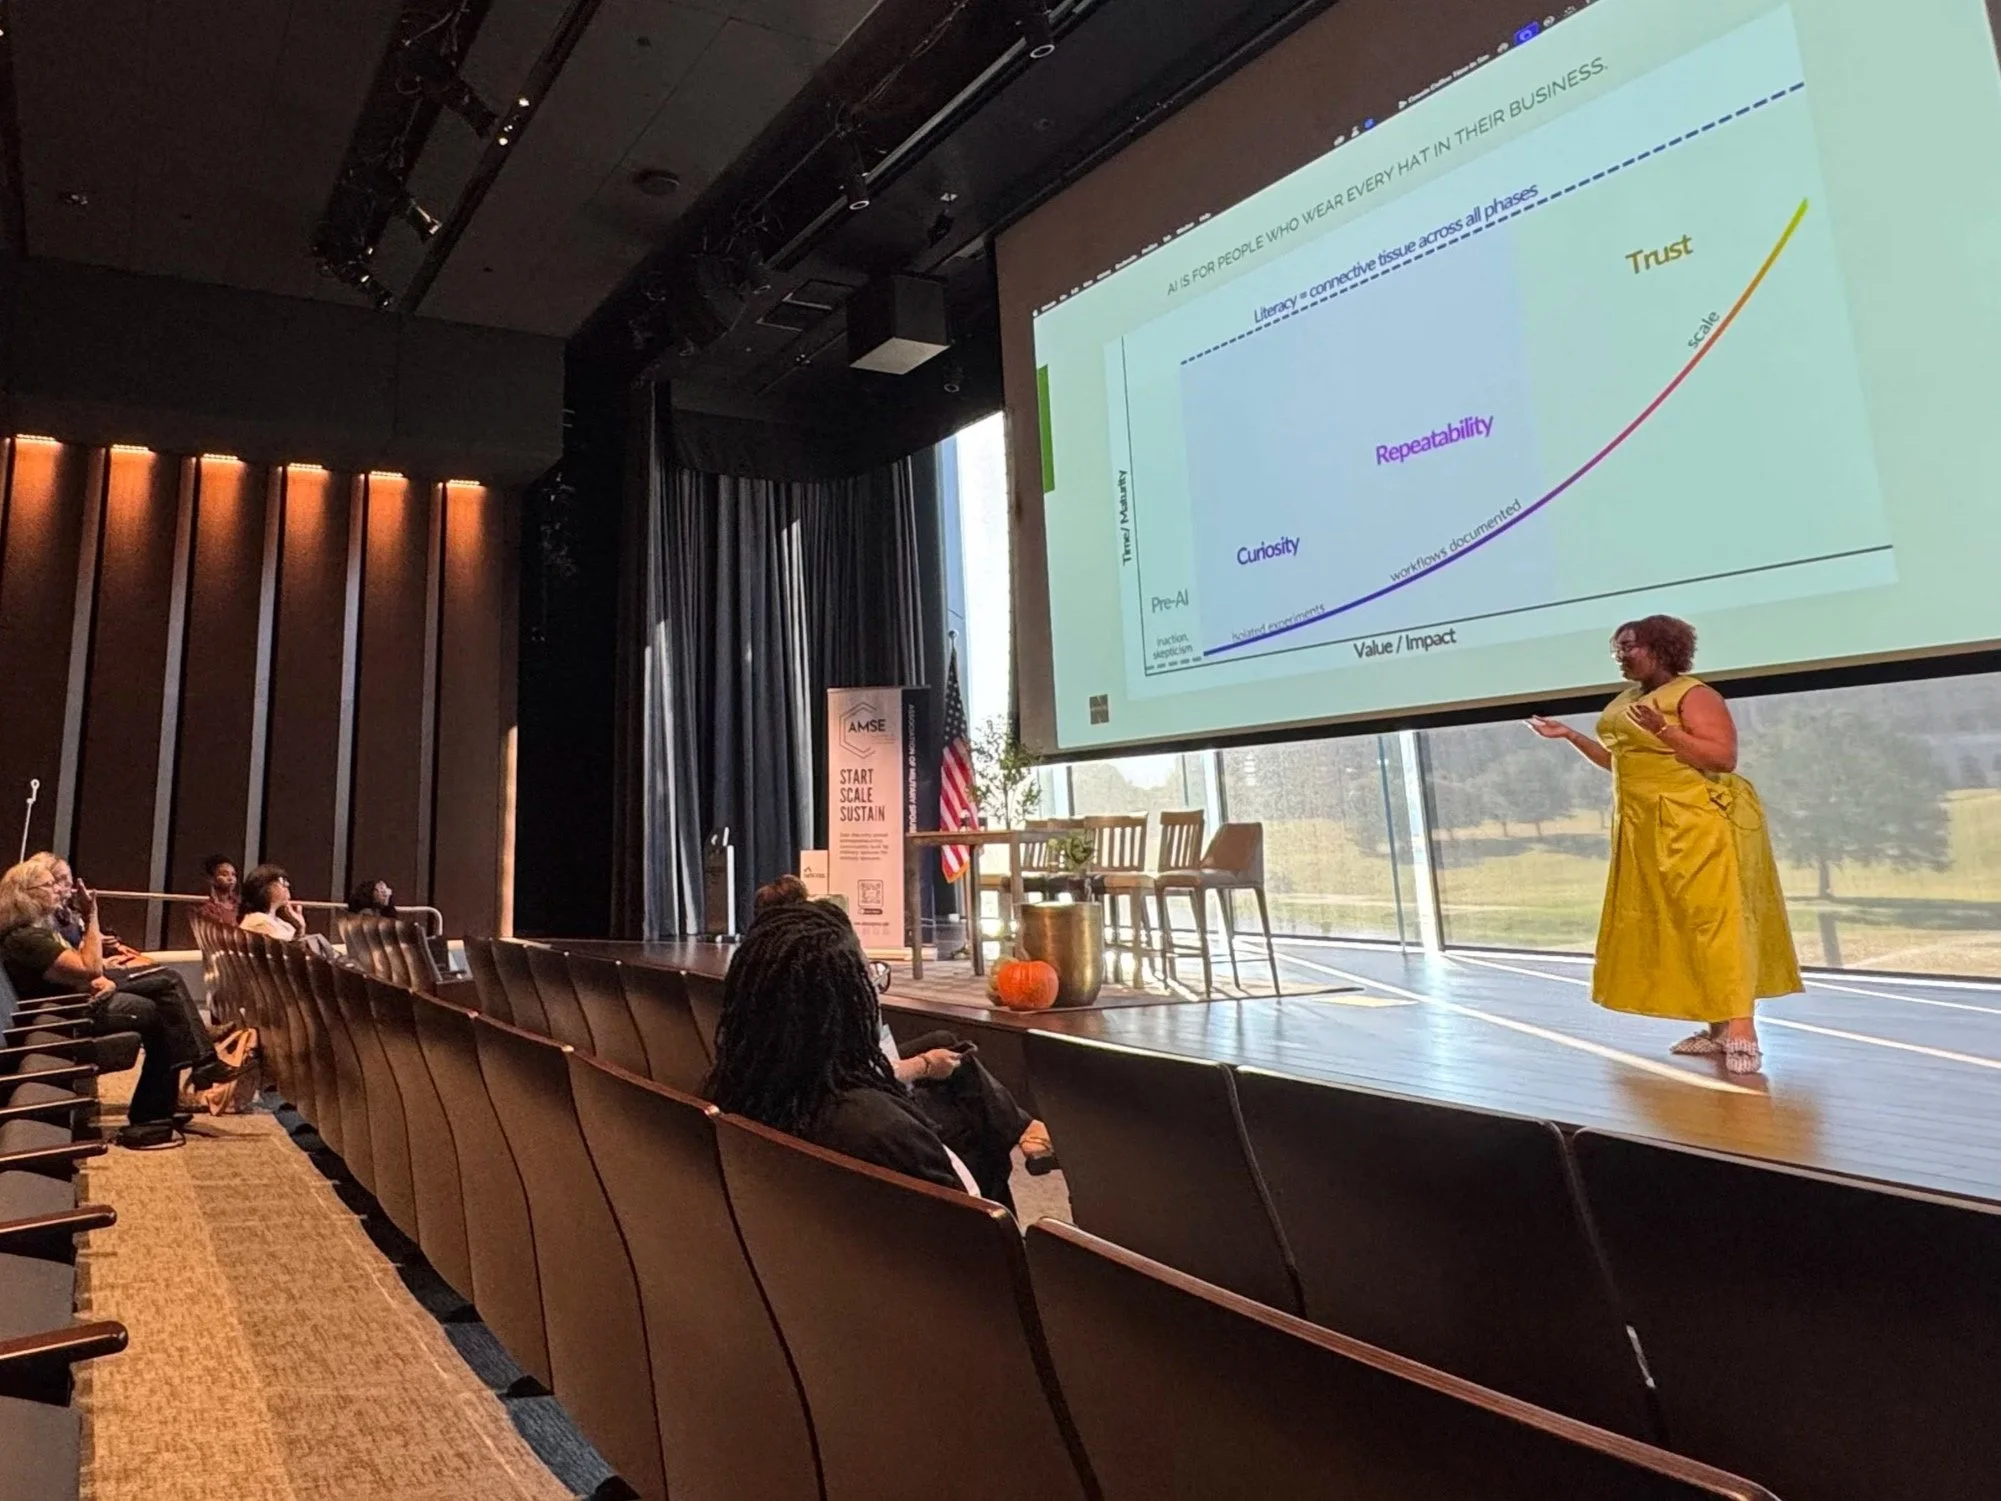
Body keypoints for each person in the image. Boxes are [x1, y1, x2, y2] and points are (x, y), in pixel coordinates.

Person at [1530, 615, 1800, 1073]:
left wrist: (1664, 730)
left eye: (1628, 646)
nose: (1620, 655)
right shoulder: (1629, 699)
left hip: (1696, 820)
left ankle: (1741, 1028)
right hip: (1644, 825)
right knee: (1680, 923)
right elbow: (1622, 762)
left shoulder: (1694, 695)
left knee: (1716, 919)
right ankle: (1716, 1028)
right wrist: (1572, 736)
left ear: (1660, 647)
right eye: (1616, 648)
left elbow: (1722, 757)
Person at [709, 895, 1053, 1206]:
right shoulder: (885, 1135)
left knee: (954, 1074)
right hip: (946, 1261)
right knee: (979, 1137)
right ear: (846, 1005)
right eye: (868, 978)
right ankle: (1013, 1134)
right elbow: (978, 1245)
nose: (875, 990)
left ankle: (1016, 1127)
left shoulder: (729, 1090)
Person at [0, 857, 238, 1147]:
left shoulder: (35, 932)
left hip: (68, 1004)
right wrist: (91, 915)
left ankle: (162, 1109)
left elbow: (82, 970)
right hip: (65, 1015)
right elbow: (90, 968)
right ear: (25, 894)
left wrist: (95, 974)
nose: (58, 890)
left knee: (165, 989)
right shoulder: (27, 938)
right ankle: (157, 1113)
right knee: (161, 1002)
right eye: (48, 885)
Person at [239, 864, 340, 960]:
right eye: (282, 881)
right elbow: (288, 955)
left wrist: (301, 927)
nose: (287, 885)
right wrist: (300, 928)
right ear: (265, 888)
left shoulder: (275, 920)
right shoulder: (258, 921)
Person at [195, 855, 241, 929]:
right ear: (212, 879)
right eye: (224, 874)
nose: (231, 878)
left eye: (233, 874)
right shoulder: (207, 910)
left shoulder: (241, 904)